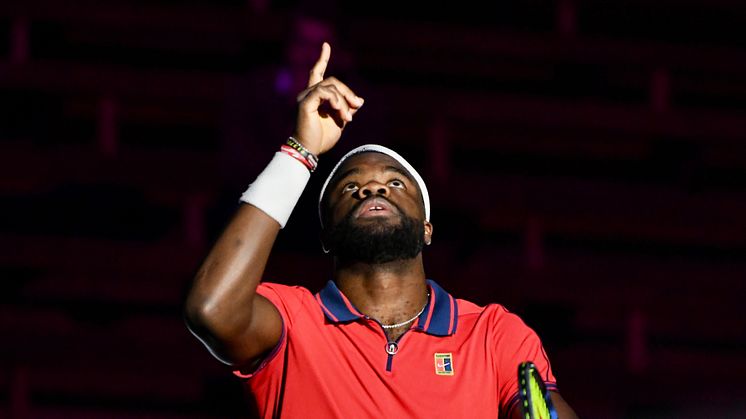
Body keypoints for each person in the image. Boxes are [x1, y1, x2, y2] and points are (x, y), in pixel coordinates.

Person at [185, 42, 578, 418]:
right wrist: (300, 151)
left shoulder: (493, 333)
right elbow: (211, 309)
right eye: (350, 188)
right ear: (326, 236)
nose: (373, 188)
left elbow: (544, 407)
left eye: (396, 184)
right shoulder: (292, 322)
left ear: (427, 228)